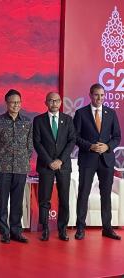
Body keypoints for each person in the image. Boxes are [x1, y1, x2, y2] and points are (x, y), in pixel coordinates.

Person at [73, 83, 121, 240]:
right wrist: (90, 146)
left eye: (102, 95)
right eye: (96, 95)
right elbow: (75, 137)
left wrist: (107, 146)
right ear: (90, 95)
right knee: (84, 193)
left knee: (105, 195)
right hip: (87, 159)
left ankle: (107, 228)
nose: (99, 98)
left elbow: (117, 137)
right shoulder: (81, 113)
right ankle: (80, 228)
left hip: (106, 160)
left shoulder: (111, 113)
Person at [0, 89, 33, 244]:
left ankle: (16, 231)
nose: (16, 105)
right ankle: (4, 232)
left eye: (18, 102)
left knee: (17, 202)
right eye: (13, 102)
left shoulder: (27, 122)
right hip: (3, 168)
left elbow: (29, 146)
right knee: (2, 202)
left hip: (21, 168)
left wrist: (24, 160)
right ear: (6, 103)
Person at [33, 92, 76, 241]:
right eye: (51, 101)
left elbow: (72, 141)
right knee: (44, 198)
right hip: (46, 165)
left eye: (57, 100)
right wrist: (49, 161)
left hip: (63, 166)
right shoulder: (38, 120)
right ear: (46, 103)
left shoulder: (68, 120)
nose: (54, 103)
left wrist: (60, 160)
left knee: (64, 198)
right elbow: (37, 143)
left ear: (61, 102)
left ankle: (62, 229)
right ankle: (44, 228)